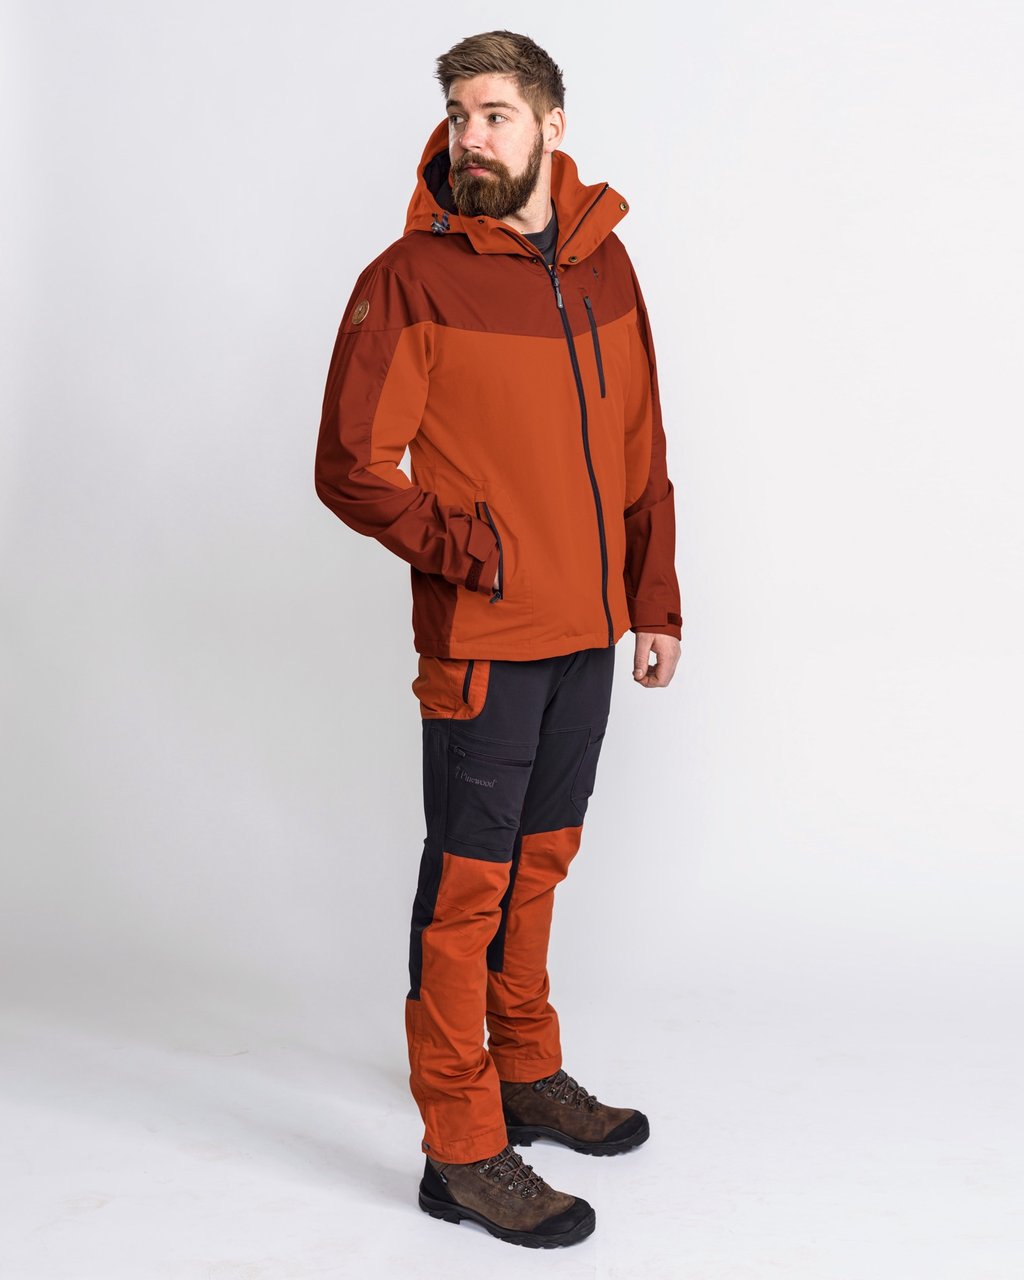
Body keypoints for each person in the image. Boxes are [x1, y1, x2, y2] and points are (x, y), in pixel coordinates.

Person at [314, 29, 682, 1249]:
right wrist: (477, 551)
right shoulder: (409, 278)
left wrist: (654, 597)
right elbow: (351, 466)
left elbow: (641, 451)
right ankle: (462, 1147)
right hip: (483, 637)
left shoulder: (605, 262)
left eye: (495, 115)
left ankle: (526, 1070)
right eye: (459, 114)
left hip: (588, 630)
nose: (471, 136)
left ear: (550, 126)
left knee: (542, 862)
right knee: (464, 892)